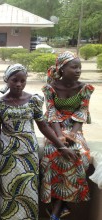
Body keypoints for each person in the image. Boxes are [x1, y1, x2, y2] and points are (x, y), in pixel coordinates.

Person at [0, 63, 77, 220]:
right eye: (14, 80)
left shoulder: (34, 100)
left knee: (29, 191)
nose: (19, 84)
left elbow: (43, 127)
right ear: (6, 80)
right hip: (7, 156)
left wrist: (62, 147)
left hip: (29, 154)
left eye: (22, 81)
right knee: (9, 193)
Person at [40, 51, 95, 220]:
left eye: (80, 67)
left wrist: (72, 134)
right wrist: (60, 136)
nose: (78, 70)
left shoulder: (84, 88)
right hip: (54, 126)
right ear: (62, 69)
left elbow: (82, 112)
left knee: (80, 154)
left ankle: (59, 205)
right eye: (74, 67)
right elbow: (51, 112)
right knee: (51, 153)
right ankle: (57, 203)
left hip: (74, 127)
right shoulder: (50, 88)